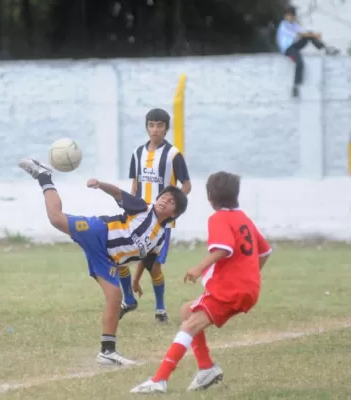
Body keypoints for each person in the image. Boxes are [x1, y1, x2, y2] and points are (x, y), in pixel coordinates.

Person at [18, 158, 188, 365]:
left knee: (115, 297)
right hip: (99, 232)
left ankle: (107, 352)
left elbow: (147, 262)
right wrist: (100, 185)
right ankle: (44, 176)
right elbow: (119, 194)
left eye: (171, 201)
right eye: (164, 196)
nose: (164, 200)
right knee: (56, 218)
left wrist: (135, 282)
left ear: (175, 213)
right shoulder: (144, 208)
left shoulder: (160, 238)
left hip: (106, 259)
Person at [130, 171, 272, 394]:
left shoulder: (218, 218)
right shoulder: (243, 218)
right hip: (248, 289)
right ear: (236, 195)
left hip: (230, 289)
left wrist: (199, 267)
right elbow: (265, 251)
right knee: (187, 311)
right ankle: (206, 367)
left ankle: (159, 380)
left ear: (209, 197)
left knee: (189, 326)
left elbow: (224, 248)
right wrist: (249, 276)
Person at [120, 108, 191, 324]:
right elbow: (135, 184)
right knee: (120, 257)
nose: (155, 129)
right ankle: (129, 298)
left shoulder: (173, 155)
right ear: (146, 127)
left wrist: (172, 206)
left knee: (154, 265)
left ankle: (160, 309)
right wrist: (128, 207)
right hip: (139, 216)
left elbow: (186, 185)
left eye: (160, 125)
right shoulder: (137, 153)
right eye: (151, 125)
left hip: (161, 222)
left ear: (166, 128)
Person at [276, 5, 339, 97]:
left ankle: (326, 49)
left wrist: (313, 35)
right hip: (288, 49)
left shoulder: (294, 25)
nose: (289, 17)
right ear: (285, 16)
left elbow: (304, 33)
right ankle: (296, 86)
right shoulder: (284, 25)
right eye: (288, 15)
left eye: (291, 15)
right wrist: (314, 35)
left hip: (294, 46)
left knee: (309, 35)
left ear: (293, 16)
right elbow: (299, 34)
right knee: (300, 63)